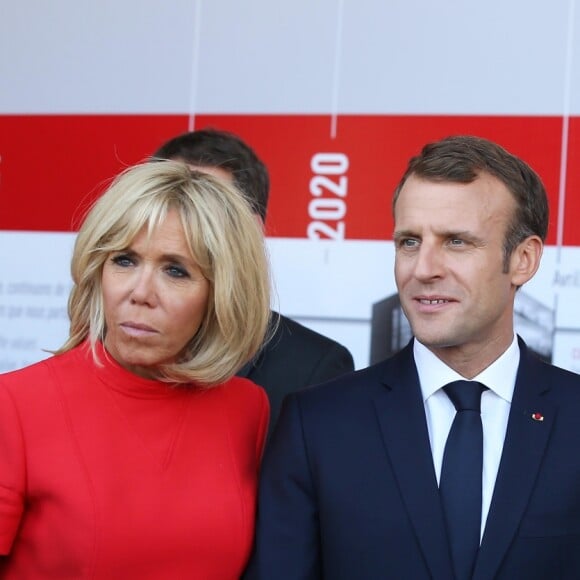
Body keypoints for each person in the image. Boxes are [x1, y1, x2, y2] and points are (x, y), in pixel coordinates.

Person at [245, 135, 580, 579]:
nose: (422, 268)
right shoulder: (318, 426)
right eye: (408, 242)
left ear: (523, 259)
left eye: (456, 242)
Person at [0, 161, 272, 578]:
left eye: (175, 270)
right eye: (124, 261)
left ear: (221, 293)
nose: (140, 292)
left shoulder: (246, 408)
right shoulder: (16, 404)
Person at [153, 129, 355, 435]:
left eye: (206, 212)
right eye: (169, 204)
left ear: (251, 231)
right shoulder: (107, 352)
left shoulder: (314, 368)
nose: (182, 230)